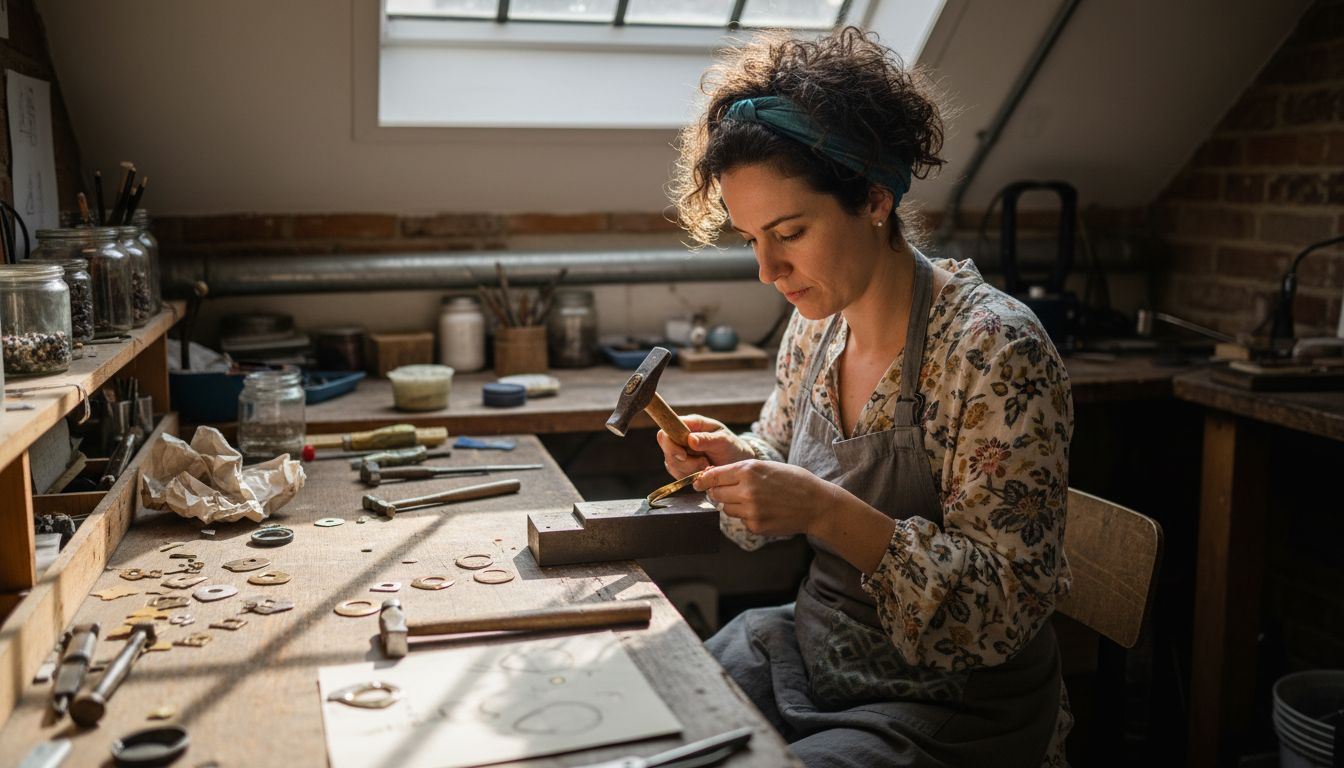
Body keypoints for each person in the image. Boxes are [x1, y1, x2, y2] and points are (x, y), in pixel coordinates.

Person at [660, 27, 1074, 768]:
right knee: (661, 708)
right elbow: (781, 453)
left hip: (950, 702)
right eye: (752, 237)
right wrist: (732, 461)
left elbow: (999, 614)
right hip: (820, 654)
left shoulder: (993, 351)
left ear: (875, 199)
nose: (767, 269)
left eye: (789, 232)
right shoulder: (816, 328)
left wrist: (822, 509)